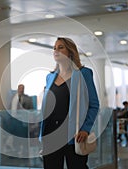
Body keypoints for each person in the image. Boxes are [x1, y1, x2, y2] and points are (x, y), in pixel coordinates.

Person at [40, 37, 99, 169]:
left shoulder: (83, 74)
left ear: (70, 52)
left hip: (74, 135)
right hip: (50, 135)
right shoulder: (50, 77)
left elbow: (94, 105)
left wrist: (85, 129)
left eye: (61, 47)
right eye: (54, 48)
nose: (56, 50)